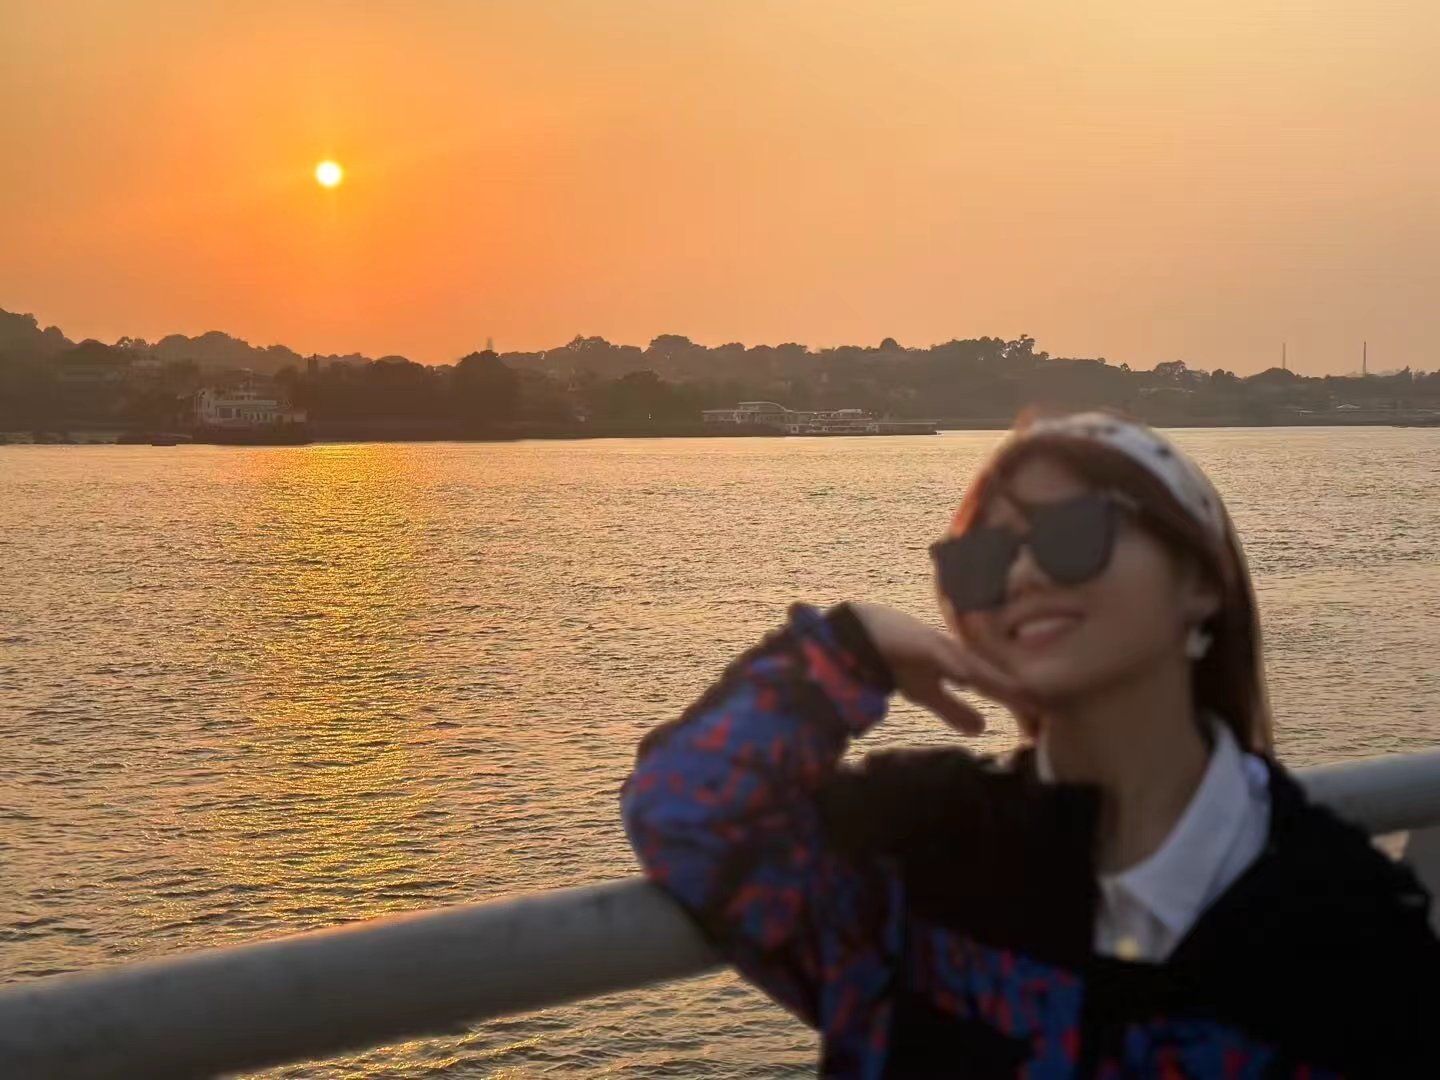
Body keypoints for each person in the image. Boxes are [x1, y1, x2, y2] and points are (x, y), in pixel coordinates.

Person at [621, 411, 1439, 1078]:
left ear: (1200, 582)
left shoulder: (1350, 933)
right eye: (980, 562)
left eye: (1072, 535)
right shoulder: (917, 848)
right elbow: (690, 810)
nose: (1019, 579)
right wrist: (849, 648)